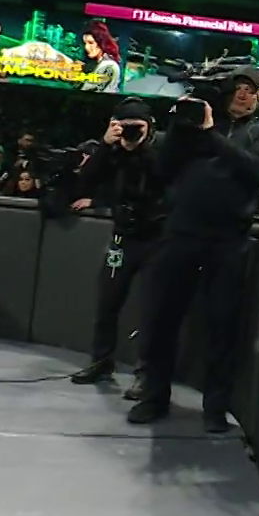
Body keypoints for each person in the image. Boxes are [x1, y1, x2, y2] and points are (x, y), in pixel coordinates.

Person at [129, 68, 259, 431]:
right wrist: (180, 128)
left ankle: (215, 408)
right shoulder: (191, 127)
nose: (245, 95)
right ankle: (154, 396)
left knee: (222, 325)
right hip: (181, 232)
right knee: (161, 318)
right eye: (238, 88)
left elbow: (255, 168)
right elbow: (163, 169)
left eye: (252, 90)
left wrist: (210, 134)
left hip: (228, 239)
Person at [67, 98, 167, 387]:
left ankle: (146, 374)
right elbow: (85, 182)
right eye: (125, 127)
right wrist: (105, 145)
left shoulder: (163, 148)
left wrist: (141, 149)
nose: (131, 133)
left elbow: (165, 180)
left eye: (137, 127)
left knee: (153, 309)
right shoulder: (112, 151)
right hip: (123, 236)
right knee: (107, 301)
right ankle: (101, 361)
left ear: (150, 127)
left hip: (157, 238)